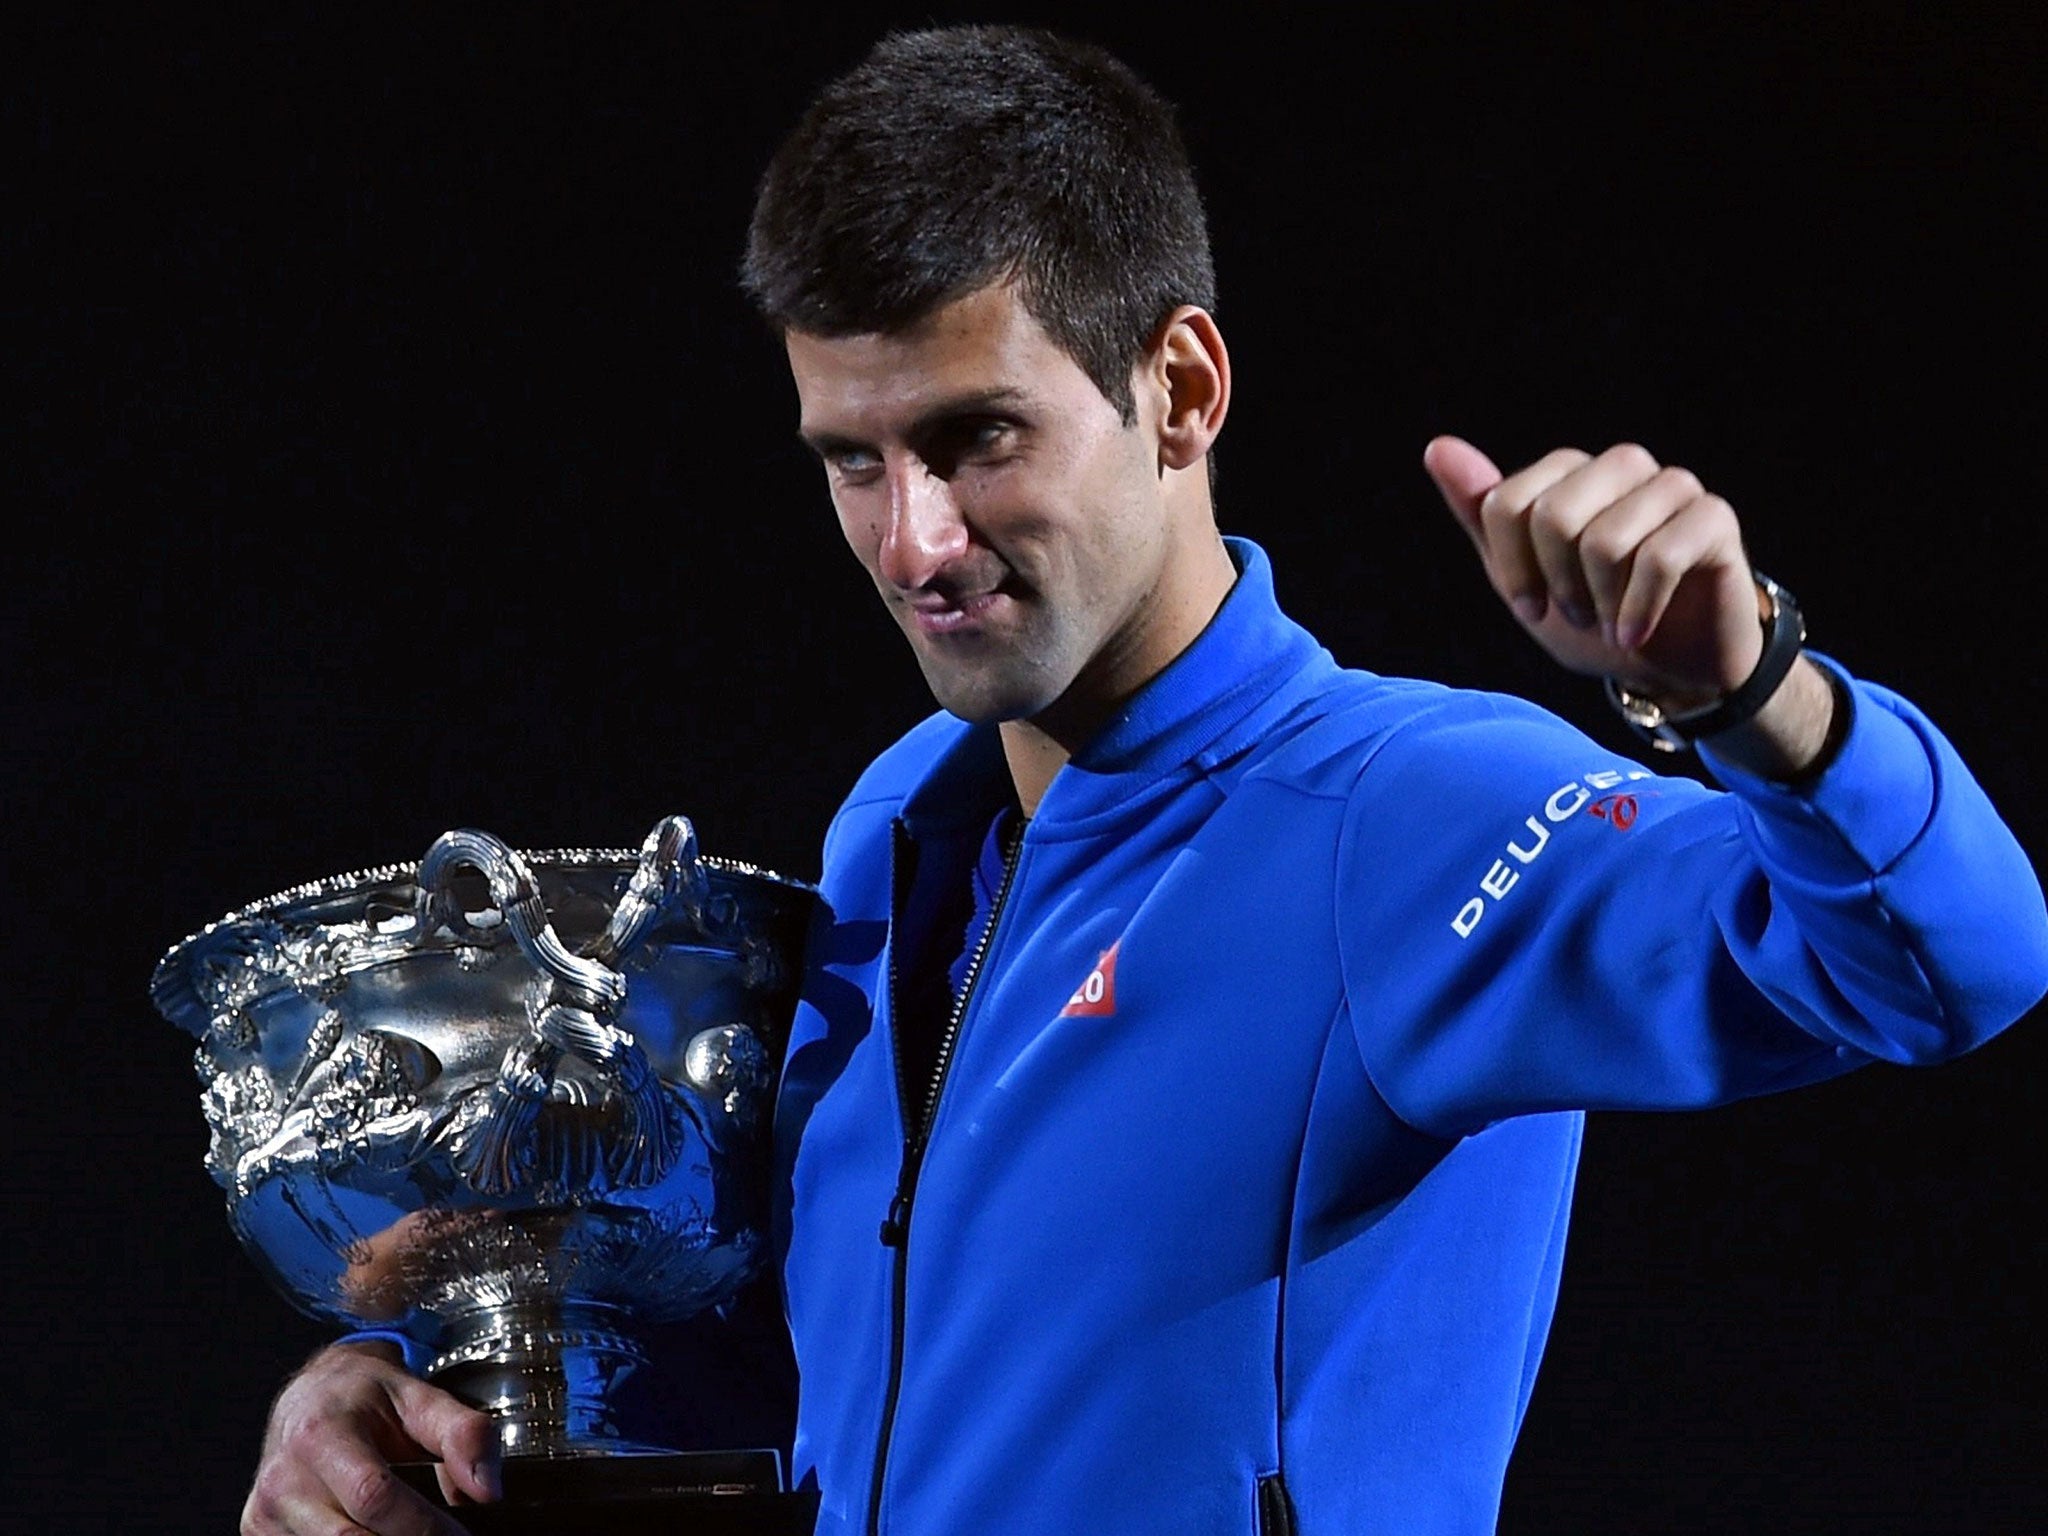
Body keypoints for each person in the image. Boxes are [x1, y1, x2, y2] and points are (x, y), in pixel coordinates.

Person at [239, 23, 2047, 1536]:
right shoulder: (897, 834)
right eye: (851, 462)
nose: (913, 542)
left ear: (1181, 387)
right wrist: (417, 1396)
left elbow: (1945, 965)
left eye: (975, 438)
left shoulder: (1402, 814)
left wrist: (1759, 697)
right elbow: (872, 1391)